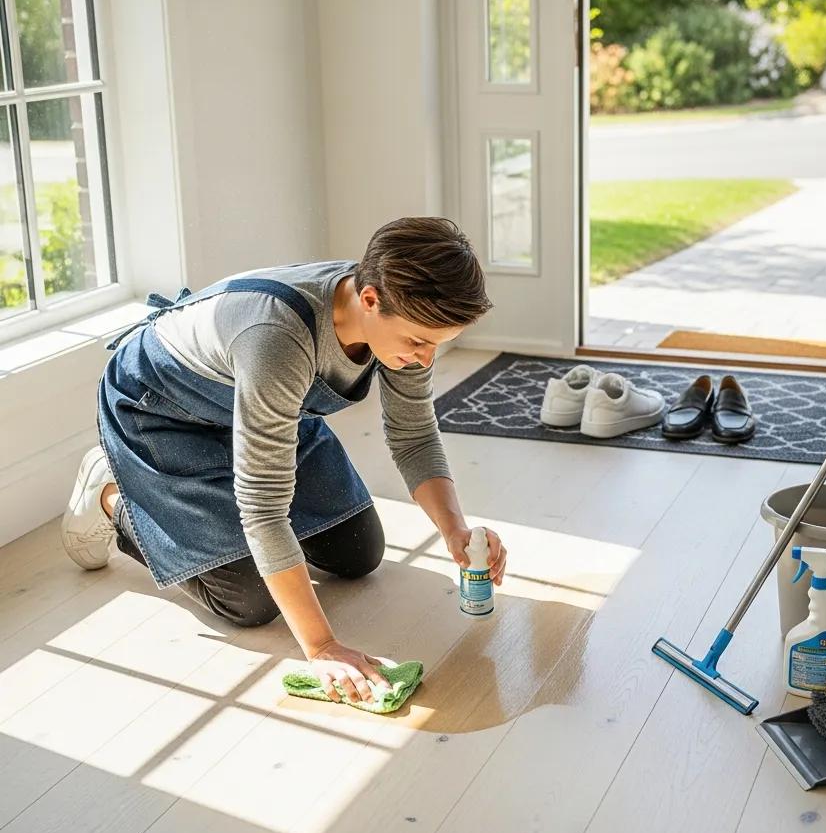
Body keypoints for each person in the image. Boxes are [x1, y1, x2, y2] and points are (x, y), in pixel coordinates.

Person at [61, 217, 507, 706]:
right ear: (370, 300)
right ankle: (111, 493)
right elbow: (263, 507)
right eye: (418, 342)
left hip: (265, 406)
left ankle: (221, 491)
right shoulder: (276, 338)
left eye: (437, 344)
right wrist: (322, 647)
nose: (424, 359)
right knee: (248, 600)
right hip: (163, 411)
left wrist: (454, 531)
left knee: (356, 553)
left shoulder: (403, 311)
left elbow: (414, 436)